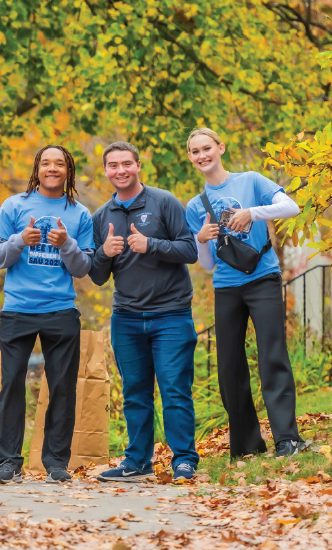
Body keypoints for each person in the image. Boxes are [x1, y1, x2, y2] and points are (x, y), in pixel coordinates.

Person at [184, 127, 305, 458]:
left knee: (272, 356)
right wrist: (201, 239)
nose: (201, 155)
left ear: (220, 148)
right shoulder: (195, 206)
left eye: (206, 148)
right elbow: (207, 265)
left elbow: (291, 207)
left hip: (263, 278)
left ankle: (287, 439)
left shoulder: (251, 181)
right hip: (226, 288)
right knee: (229, 367)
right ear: (191, 158)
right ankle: (247, 445)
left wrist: (253, 212)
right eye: (195, 151)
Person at [89, 141, 200, 482]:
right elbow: (96, 276)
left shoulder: (163, 201)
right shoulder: (101, 216)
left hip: (170, 314)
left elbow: (189, 250)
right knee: (135, 391)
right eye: (113, 165)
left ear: (138, 165)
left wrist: (151, 244)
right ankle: (137, 460)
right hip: (126, 317)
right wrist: (105, 252)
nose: (120, 170)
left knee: (173, 388)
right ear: (106, 171)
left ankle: (184, 460)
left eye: (126, 163)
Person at [0, 145, 94, 484]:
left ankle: (56, 462)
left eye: (59, 164)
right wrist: (20, 239)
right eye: (46, 163)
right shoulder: (13, 206)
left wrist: (65, 243)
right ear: (37, 168)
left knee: (62, 387)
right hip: (17, 309)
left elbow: (83, 268)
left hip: (61, 310)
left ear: (68, 171)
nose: (52, 168)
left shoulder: (80, 214)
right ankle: (8, 463)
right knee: (11, 387)